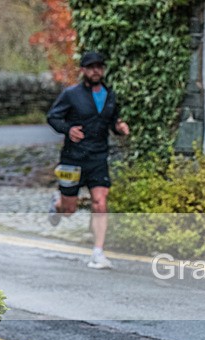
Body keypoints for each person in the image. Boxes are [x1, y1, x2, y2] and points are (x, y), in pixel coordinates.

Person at [47, 51, 130, 269]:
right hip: (72, 158)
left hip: (98, 157)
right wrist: (68, 129)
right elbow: (53, 117)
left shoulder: (109, 95)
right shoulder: (71, 94)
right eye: (91, 67)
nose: (96, 71)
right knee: (69, 209)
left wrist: (119, 128)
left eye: (99, 67)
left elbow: (112, 121)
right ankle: (57, 205)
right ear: (83, 70)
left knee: (100, 203)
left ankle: (98, 253)